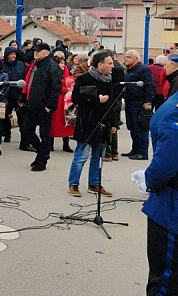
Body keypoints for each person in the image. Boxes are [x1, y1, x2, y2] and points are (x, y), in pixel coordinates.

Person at [141, 89, 178, 296]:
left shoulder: (174, 112)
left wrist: (148, 179)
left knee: (166, 287)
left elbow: (165, 166)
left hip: (170, 208)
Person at [67, 51, 117, 197]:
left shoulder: (109, 80)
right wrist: (96, 100)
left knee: (99, 157)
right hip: (87, 123)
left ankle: (94, 184)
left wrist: (113, 123)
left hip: (103, 124)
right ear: (100, 65)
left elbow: (112, 104)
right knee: (81, 156)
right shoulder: (85, 78)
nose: (112, 66)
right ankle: (73, 184)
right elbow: (76, 98)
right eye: (109, 63)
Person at [20, 43, 63, 171]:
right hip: (31, 103)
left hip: (44, 106)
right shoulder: (33, 65)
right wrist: (23, 99)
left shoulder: (52, 67)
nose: (36, 53)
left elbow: (56, 89)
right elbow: (27, 83)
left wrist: (49, 106)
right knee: (26, 130)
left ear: (47, 52)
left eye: (39, 51)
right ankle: (41, 152)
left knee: (45, 134)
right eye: (35, 50)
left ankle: (42, 161)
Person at [122, 50, 156, 161]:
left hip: (139, 103)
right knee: (132, 127)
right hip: (129, 102)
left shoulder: (143, 70)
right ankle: (135, 149)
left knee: (140, 128)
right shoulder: (128, 70)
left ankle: (142, 152)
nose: (126, 59)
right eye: (125, 56)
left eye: (129, 57)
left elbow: (150, 86)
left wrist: (148, 101)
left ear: (136, 59)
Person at [50, 51, 74, 153]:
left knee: (66, 121)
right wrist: (65, 89)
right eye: (61, 63)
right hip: (56, 99)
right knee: (54, 122)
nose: (63, 65)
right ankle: (50, 143)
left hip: (65, 100)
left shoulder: (66, 72)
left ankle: (66, 143)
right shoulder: (53, 73)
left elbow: (69, 82)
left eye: (63, 63)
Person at [1, 46, 25, 144]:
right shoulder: (3, 65)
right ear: (7, 55)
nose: (14, 56)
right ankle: (7, 134)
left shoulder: (20, 65)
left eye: (15, 54)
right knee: (6, 116)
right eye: (12, 54)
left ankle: (24, 137)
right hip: (7, 95)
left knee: (22, 117)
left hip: (19, 95)